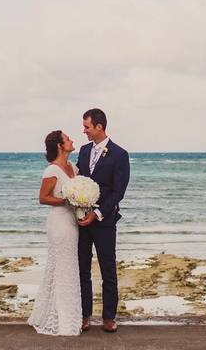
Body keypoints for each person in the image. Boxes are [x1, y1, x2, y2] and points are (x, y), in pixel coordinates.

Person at [76, 108, 130, 333]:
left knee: (108, 269)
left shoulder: (120, 154)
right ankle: (84, 315)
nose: (84, 130)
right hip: (82, 220)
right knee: (82, 269)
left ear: (99, 126)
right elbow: (79, 181)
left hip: (104, 221)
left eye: (87, 126)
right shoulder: (83, 150)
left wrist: (97, 214)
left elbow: (118, 192)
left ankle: (109, 317)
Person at [27, 130, 82, 336]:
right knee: (62, 267)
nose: (72, 140)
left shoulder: (73, 167)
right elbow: (43, 198)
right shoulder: (52, 170)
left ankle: (67, 314)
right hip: (59, 223)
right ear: (60, 146)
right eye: (68, 139)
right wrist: (66, 201)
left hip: (72, 222)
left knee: (69, 268)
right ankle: (62, 319)